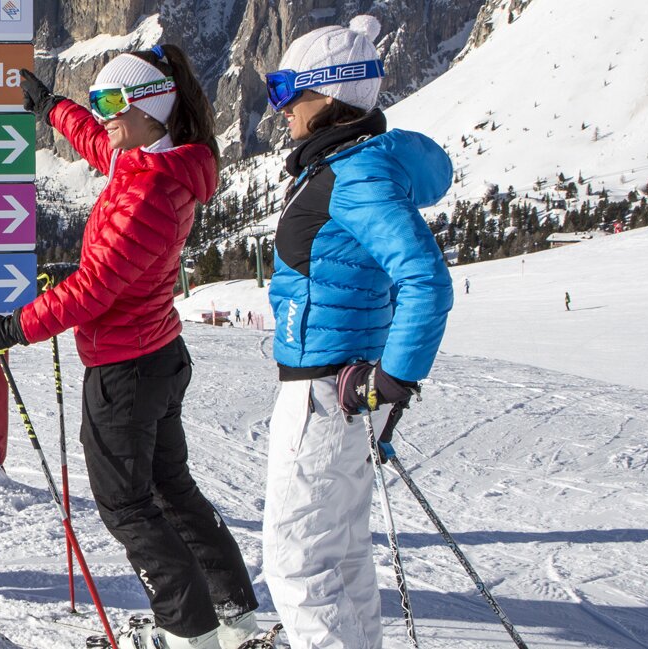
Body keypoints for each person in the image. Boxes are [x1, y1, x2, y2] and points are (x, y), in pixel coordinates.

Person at [0, 45, 260, 649]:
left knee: (126, 505)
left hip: (125, 371)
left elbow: (96, 288)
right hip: (156, 357)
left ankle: (187, 632)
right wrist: (54, 107)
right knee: (171, 491)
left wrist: (14, 328)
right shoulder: (155, 162)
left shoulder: (149, 191)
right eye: (97, 100)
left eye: (110, 101)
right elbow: (99, 145)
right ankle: (235, 620)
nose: (100, 113)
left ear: (149, 106)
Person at [261, 16, 454, 649]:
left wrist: (394, 377)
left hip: (326, 392)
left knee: (297, 565)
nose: (280, 105)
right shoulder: (346, 165)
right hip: (340, 388)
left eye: (289, 87)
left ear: (333, 94)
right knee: (341, 556)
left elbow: (425, 279)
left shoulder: (355, 175)